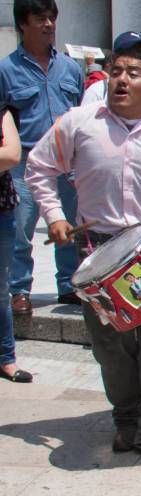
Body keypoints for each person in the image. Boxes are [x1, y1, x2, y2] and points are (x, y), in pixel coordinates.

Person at [25, 35, 141, 458]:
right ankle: (128, 422)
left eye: (133, 73)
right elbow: (38, 167)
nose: (121, 80)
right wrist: (54, 215)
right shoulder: (79, 123)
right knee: (111, 346)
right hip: (98, 251)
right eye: (116, 72)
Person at [0, 0, 83, 316]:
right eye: (40, 18)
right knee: (21, 228)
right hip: (24, 161)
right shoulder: (6, 70)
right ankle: (19, 290)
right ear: (23, 24)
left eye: (52, 18)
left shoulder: (71, 69)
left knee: (69, 225)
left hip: (66, 160)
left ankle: (69, 284)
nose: (49, 24)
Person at [0, 106, 27, 382]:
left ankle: (6, 358)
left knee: (0, 290)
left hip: (1, 212)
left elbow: (11, 155)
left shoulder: (2, 112)